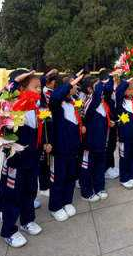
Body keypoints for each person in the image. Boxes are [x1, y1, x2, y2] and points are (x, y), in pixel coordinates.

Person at [0, 70, 46, 248]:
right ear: (22, 88)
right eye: (36, 87)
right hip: (16, 160)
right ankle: (9, 230)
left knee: (30, 189)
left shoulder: (35, 106)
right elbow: (4, 101)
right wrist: (13, 83)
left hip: (32, 158)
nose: (39, 90)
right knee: (13, 195)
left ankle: (27, 220)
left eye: (40, 86)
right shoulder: (14, 106)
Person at [47, 73, 84, 222]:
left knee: (70, 175)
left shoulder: (73, 101)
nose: (76, 88)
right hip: (60, 149)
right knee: (58, 178)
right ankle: (55, 207)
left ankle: (67, 201)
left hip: (73, 147)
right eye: (74, 85)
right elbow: (56, 97)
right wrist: (69, 84)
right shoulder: (56, 104)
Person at [79, 76, 112, 202]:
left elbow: (108, 89)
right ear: (89, 89)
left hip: (101, 142)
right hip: (89, 144)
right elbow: (90, 109)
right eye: (97, 85)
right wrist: (98, 88)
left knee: (100, 165)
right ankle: (86, 191)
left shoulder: (100, 102)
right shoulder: (89, 102)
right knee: (87, 167)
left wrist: (109, 78)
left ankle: (99, 187)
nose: (100, 87)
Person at [38, 69, 59, 197]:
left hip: (50, 127)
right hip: (44, 129)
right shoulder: (45, 93)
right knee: (44, 161)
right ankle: (44, 186)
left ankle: (48, 182)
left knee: (49, 159)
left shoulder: (48, 93)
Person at [104, 69, 121, 179]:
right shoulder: (106, 95)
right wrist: (111, 77)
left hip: (114, 123)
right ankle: (107, 168)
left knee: (112, 146)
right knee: (109, 146)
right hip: (109, 125)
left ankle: (111, 166)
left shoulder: (111, 95)